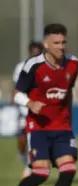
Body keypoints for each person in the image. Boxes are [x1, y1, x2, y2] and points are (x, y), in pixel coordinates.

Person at [0, 23, 78, 186]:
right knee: (41, 173)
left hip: (62, 127)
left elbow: (68, 91)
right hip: (38, 127)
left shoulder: (73, 64)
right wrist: (30, 103)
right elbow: (16, 94)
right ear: (46, 44)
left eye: (64, 42)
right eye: (56, 43)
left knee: (69, 169)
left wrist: (68, 117)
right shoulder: (32, 66)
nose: (61, 47)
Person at [11, 41, 44, 178]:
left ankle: (30, 167)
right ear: (30, 51)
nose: (36, 53)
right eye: (33, 51)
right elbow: (15, 88)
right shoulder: (21, 67)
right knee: (22, 141)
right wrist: (14, 101)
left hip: (38, 111)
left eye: (38, 51)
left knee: (34, 140)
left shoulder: (45, 67)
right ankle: (26, 161)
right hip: (23, 109)